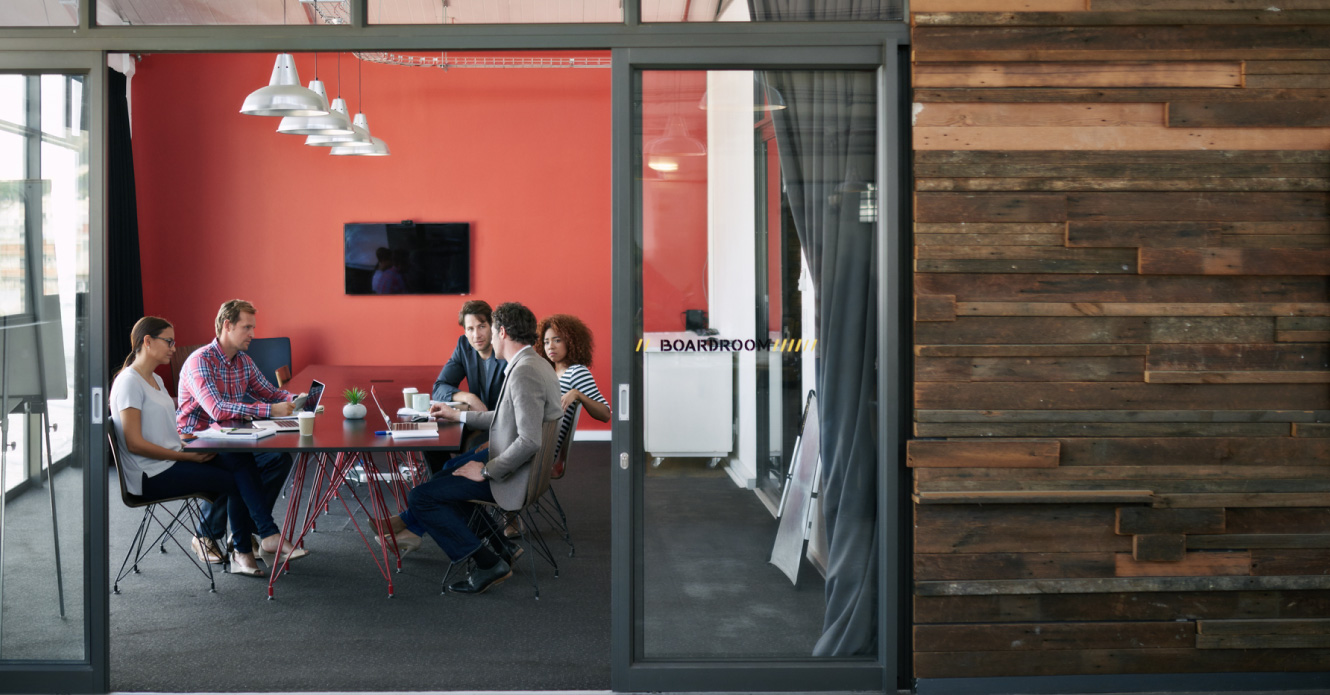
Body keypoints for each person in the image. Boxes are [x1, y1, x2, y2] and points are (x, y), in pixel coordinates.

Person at [374, 302, 561, 595]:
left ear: (501, 332)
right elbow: (503, 418)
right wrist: (456, 414)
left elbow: (529, 440)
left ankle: (488, 563)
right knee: (447, 472)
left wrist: (486, 470)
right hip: (526, 468)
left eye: (488, 329)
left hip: (516, 477)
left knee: (421, 496)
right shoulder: (534, 364)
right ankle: (503, 547)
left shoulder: (523, 373)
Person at [111, 316, 304, 577]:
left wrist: (188, 445)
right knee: (238, 479)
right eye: (168, 341)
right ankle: (249, 546)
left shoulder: (154, 379)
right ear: (147, 341)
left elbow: (162, 432)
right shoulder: (129, 383)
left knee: (239, 457)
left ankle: (259, 541)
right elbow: (135, 444)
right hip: (151, 474)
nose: (173, 347)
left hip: (173, 457)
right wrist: (189, 457)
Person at [176, 299, 309, 574]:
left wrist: (298, 400)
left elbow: (270, 392)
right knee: (241, 465)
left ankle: (246, 534)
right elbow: (217, 409)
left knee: (278, 459)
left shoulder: (243, 361)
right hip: (195, 440)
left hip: (229, 438)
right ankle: (249, 538)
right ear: (227, 325)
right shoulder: (200, 361)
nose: (253, 334)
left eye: (253, 327)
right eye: (247, 327)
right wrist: (269, 409)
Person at [535, 314, 611, 464]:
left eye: (557, 340)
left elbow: (605, 413)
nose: (550, 346)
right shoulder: (549, 374)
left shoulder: (576, 372)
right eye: (546, 342)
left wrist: (578, 394)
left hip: (541, 453)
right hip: (534, 443)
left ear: (570, 342)